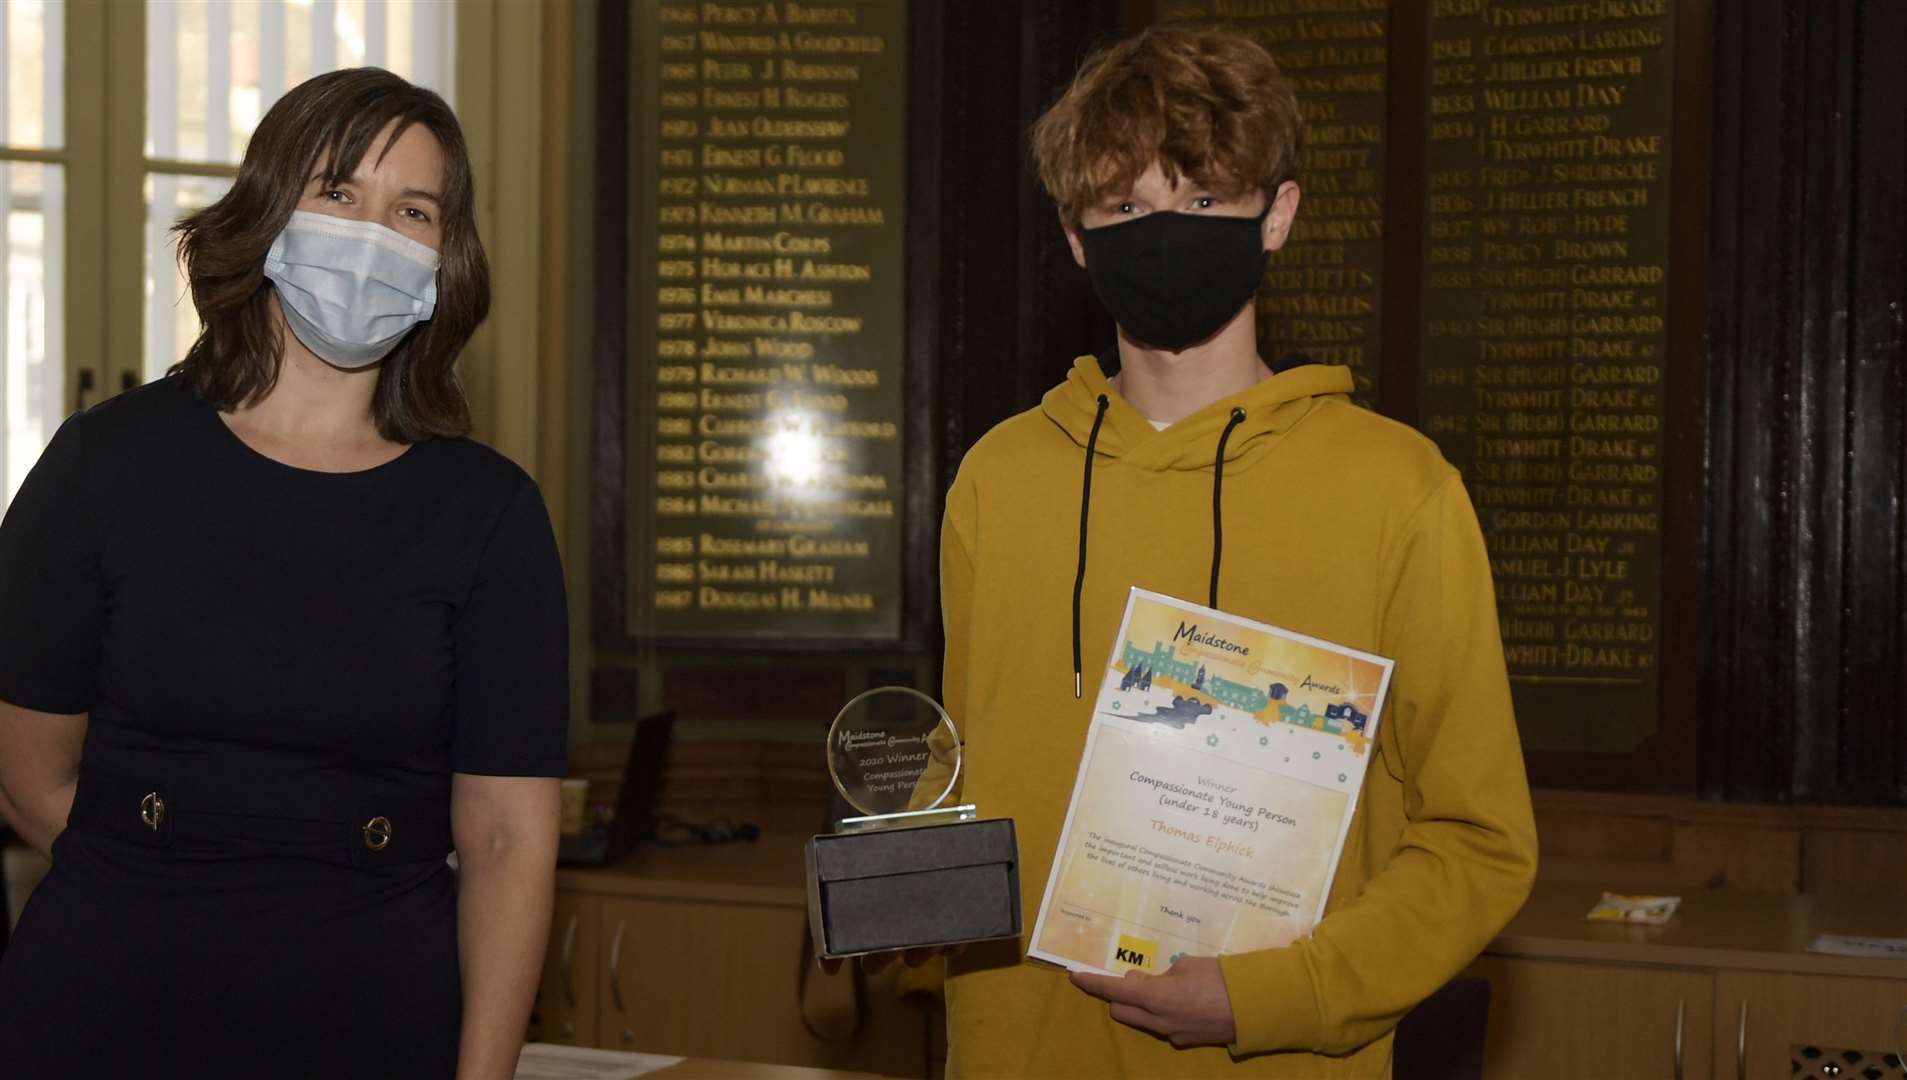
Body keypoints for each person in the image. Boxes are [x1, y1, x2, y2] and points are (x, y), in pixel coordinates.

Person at [928, 27, 1538, 1076]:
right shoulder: (999, 479)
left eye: (1203, 202)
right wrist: (871, 917)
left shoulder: (1399, 492)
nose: (1162, 233)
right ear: (1075, 237)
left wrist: (1274, 994)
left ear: (1278, 215)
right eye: (1124, 207)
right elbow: (960, 784)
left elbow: (1476, 841)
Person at [0, 68, 567, 1078]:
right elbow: (27, 768)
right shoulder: (104, 464)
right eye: (338, 192)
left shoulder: (490, 515)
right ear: (265, 210)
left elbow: (507, 844)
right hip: (105, 1005)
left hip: (376, 1013)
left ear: (446, 258)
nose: (371, 233)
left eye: (413, 210)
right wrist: (182, 887)